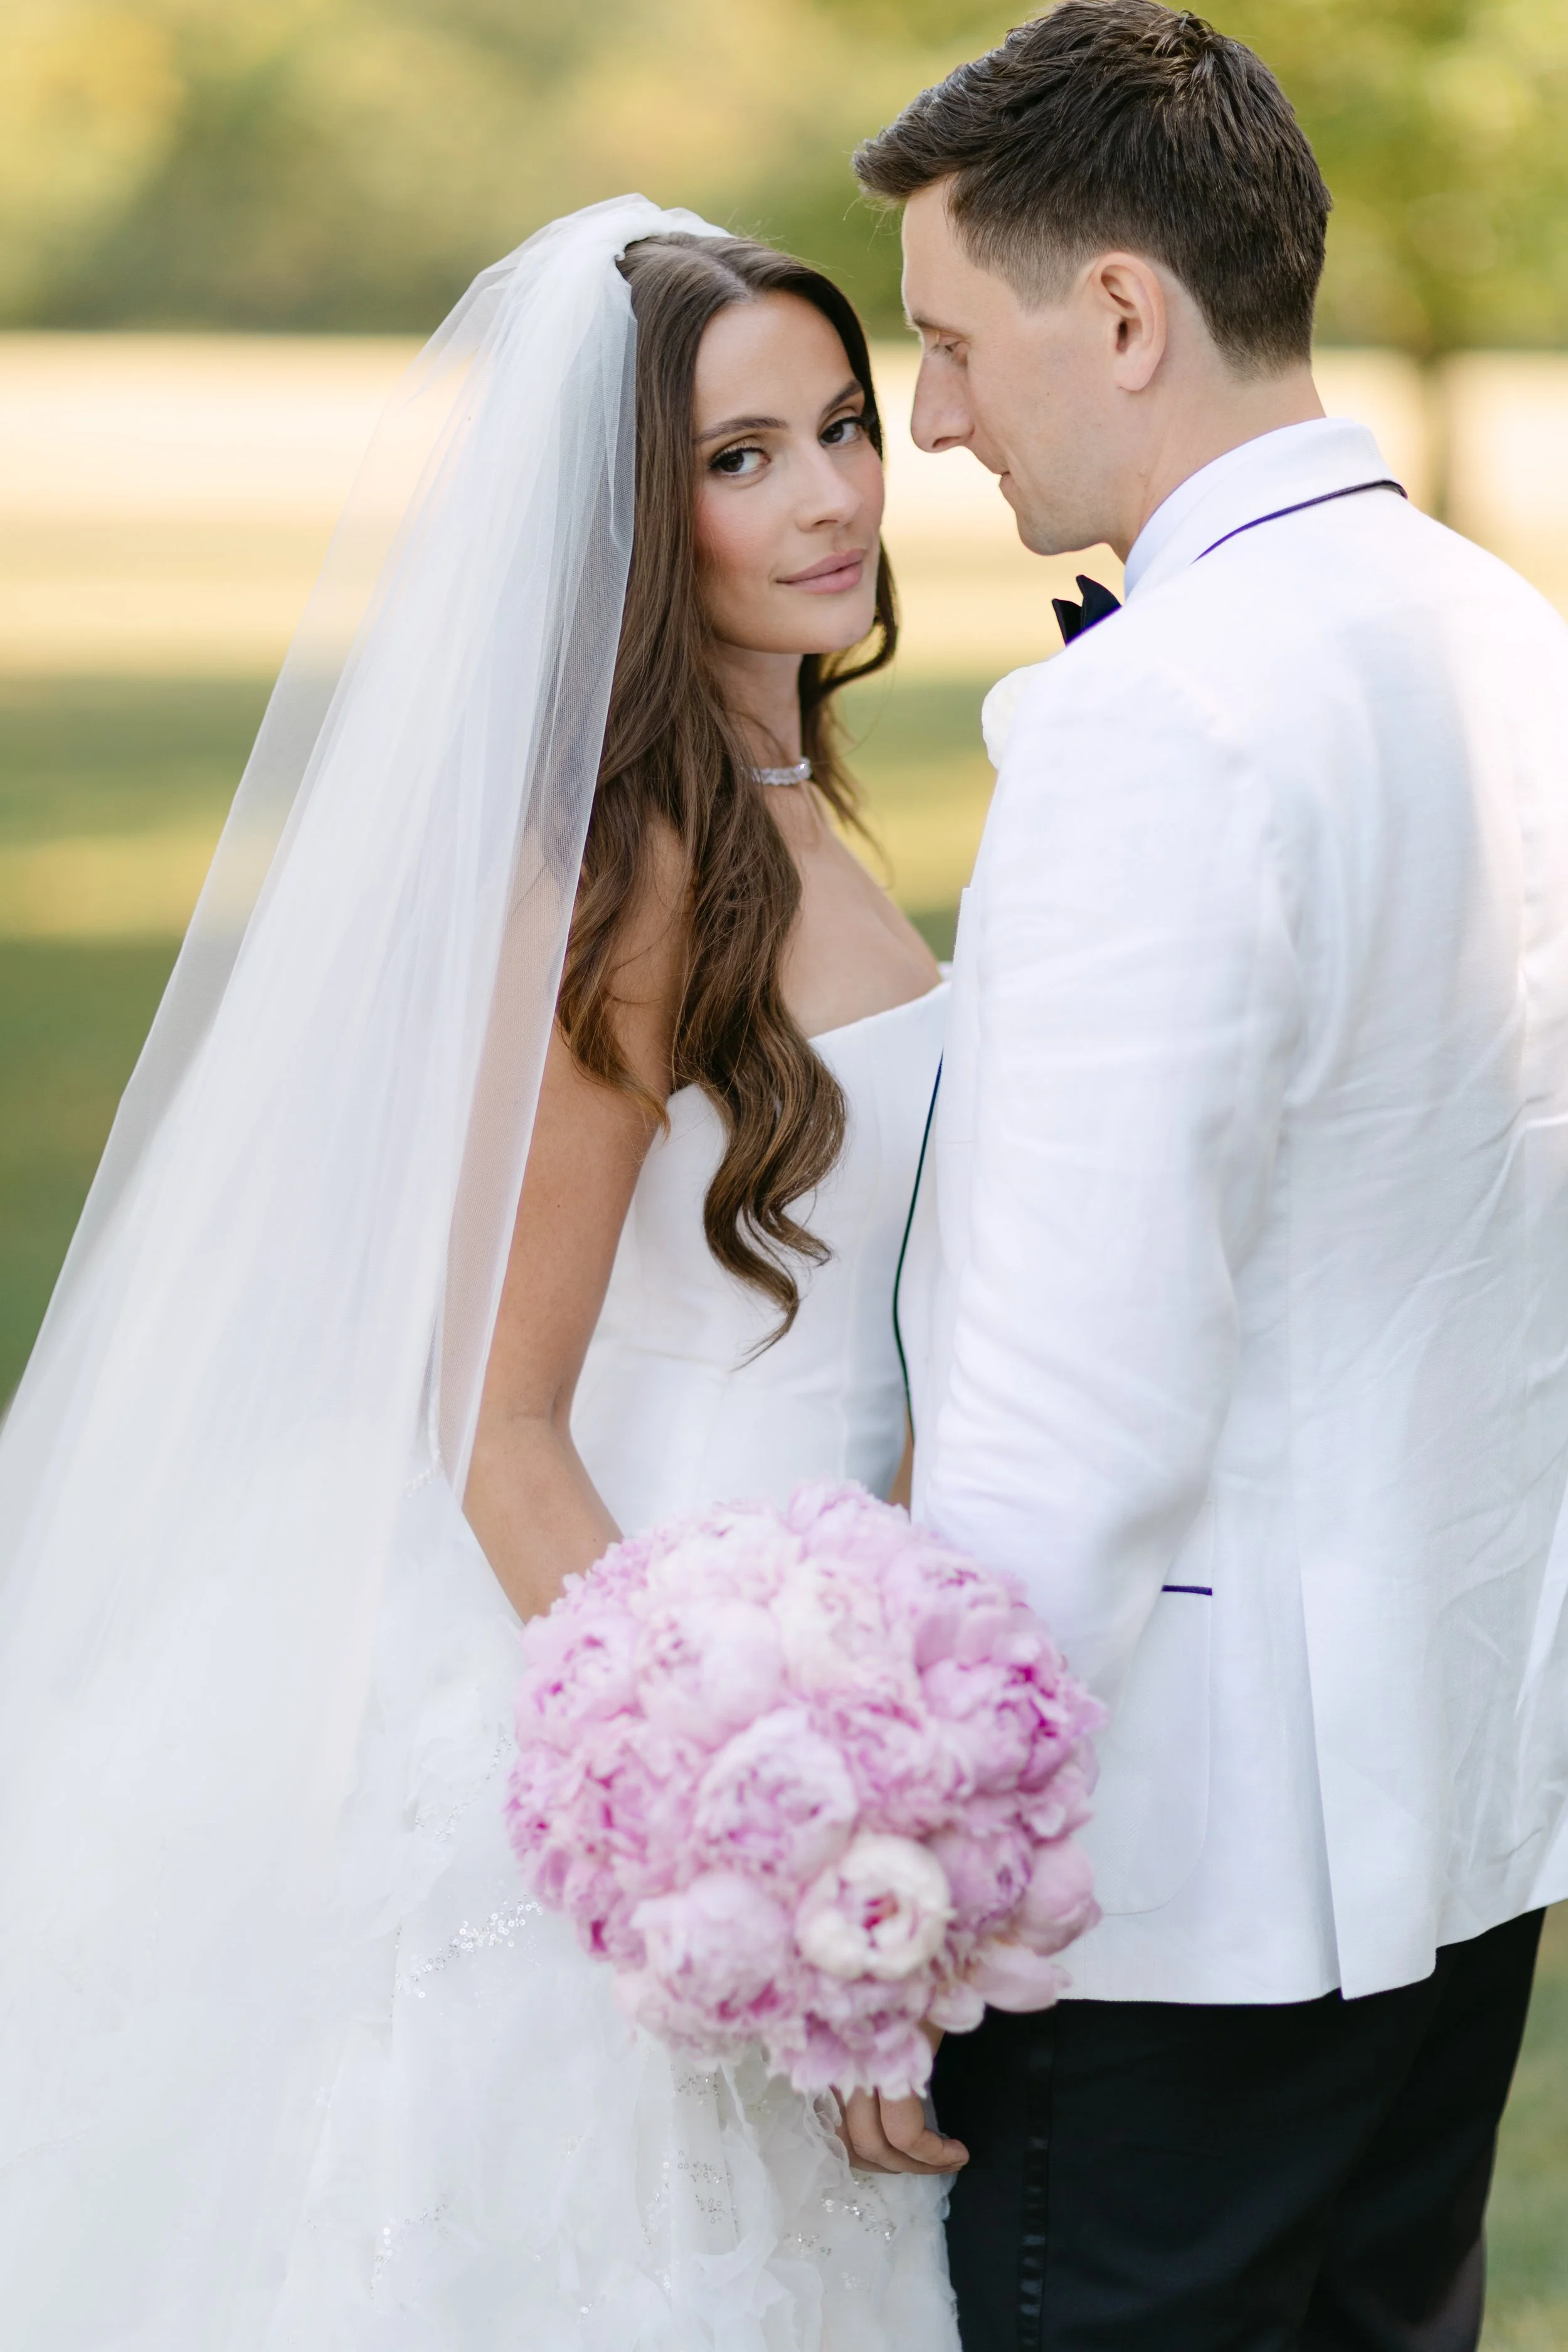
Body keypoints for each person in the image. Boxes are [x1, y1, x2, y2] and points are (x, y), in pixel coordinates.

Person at [0, 200, 960, 2348]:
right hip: (645, 1683)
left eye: (839, 426)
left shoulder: (803, 807)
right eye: (737, 457)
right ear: (636, 517)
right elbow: (491, 1420)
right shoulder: (636, 869)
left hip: (826, 1636)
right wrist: (774, 1863)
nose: (824, 498)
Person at [849, 6, 1568, 2348]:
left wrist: (903, 1892)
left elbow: (1072, 1399)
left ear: (1124, 314)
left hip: (1177, 1887)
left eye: (951, 340)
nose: (932, 414)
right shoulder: (1501, 632)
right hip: (1463, 1813)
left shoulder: (1157, 713)